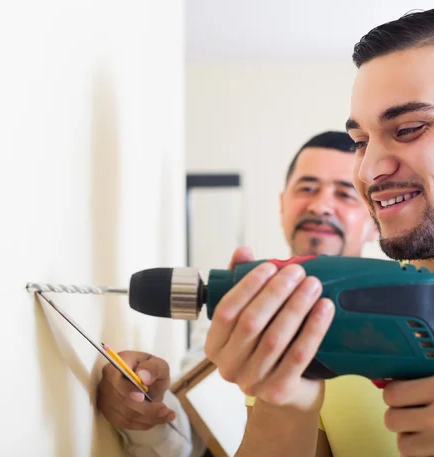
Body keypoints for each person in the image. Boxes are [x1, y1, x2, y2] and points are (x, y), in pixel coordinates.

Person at [204, 6, 434, 457]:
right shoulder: (324, 323)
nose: (368, 169)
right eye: (361, 142)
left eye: (409, 129)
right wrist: (284, 407)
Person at [96, 131, 381, 457]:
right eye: (307, 188)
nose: (320, 205)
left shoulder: (400, 318)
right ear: (282, 204)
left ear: (374, 222)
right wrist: (148, 407)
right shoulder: (238, 307)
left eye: (345, 194)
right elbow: (191, 443)